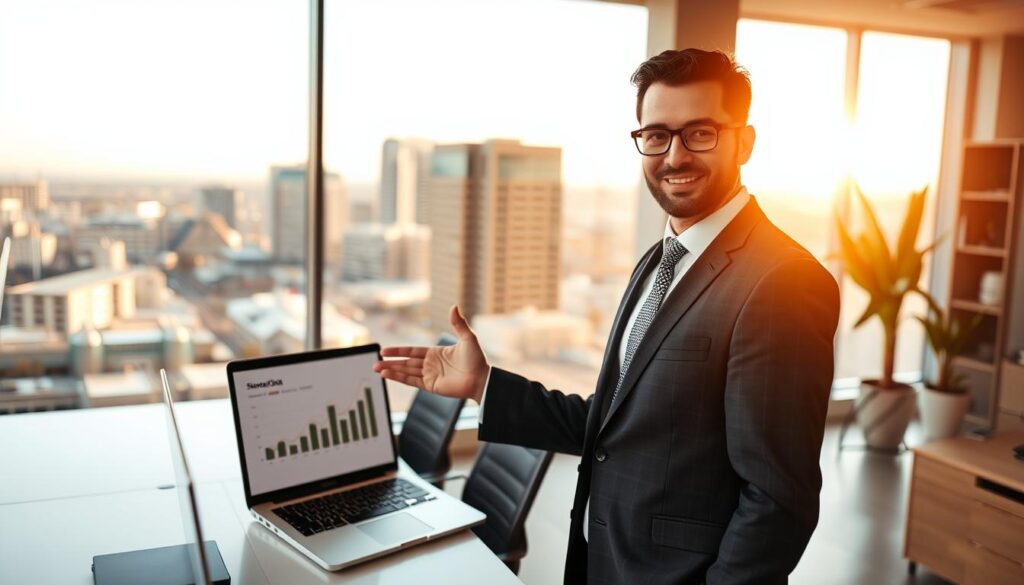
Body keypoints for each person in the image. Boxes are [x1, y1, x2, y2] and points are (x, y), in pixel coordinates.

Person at [375, 48, 840, 585]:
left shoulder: (782, 281)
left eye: (700, 133)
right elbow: (616, 421)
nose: (674, 156)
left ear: (745, 141)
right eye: (656, 135)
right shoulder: (659, 260)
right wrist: (485, 385)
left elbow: (779, 499)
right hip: (606, 559)